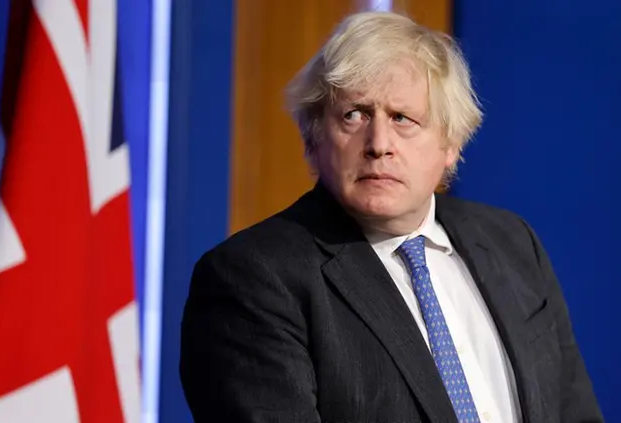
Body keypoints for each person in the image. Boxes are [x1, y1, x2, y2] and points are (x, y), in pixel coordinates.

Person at [179, 10, 603, 423]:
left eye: (403, 118)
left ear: (450, 143)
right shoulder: (252, 278)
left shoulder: (512, 243)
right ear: (314, 137)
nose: (378, 143)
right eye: (354, 115)